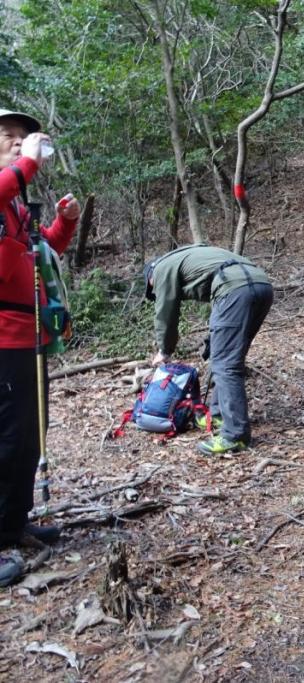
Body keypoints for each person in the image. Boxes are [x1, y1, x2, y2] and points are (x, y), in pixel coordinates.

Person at [0, 108, 81, 586]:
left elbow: (41, 255)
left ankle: (12, 521)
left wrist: (64, 224)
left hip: (28, 333)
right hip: (3, 334)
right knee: (5, 435)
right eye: (7, 136)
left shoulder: (14, 205)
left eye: (23, 138)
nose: (17, 142)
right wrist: (26, 165)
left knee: (28, 434)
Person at [143, 244, 273, 455]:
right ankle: (219, 415)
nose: (155, 290)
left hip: (235, 290)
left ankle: (235, 436)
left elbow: (166, 312)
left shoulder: (161, 269)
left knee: (225, 365)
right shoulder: (189, 255)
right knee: (226, 358)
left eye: (152, 288)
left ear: (150, 277)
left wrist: (164, 350)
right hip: (261, 286)